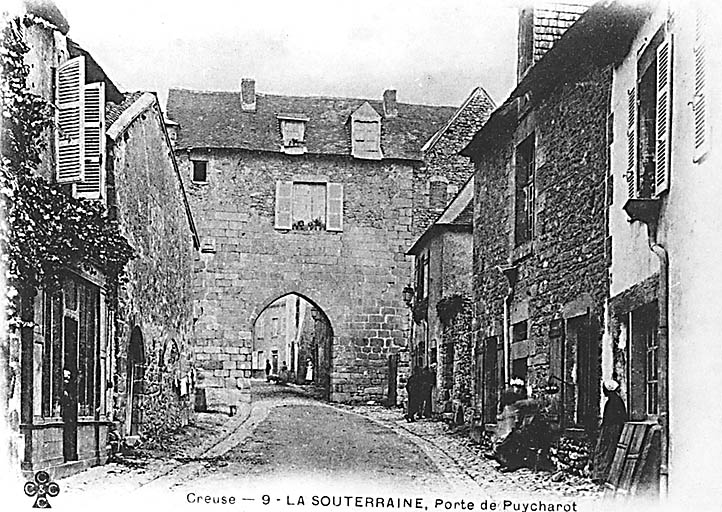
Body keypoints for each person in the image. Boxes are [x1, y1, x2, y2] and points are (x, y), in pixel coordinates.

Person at [591, 379, 627, 484]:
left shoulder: (614, 401)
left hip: (611, 430)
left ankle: (602, 476)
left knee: (606, 451)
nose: (603, 391)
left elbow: (616, 418)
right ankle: (601, 475)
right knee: (605, 451)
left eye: (604, 389)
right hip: (610, 428)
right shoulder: (614, 400)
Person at [60, 368, 78, 461]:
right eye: (65, 378)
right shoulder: (61, 390)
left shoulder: (68, 391)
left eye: (68, 378)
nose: (67, 380)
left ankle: (69, 455)